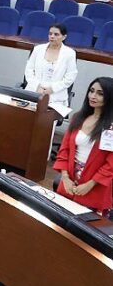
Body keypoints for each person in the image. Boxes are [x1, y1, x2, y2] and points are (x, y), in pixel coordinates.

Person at [53, 77, 113, 212]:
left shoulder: (111, 127)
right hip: (69, 180)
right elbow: (64, 150)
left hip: (94, 184)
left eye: (100, 93)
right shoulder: (78, 118)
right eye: (91, 91)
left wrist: (90, 184)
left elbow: (111, 164)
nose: (93, 96)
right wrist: (65, 177)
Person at [25, 24, 78, 108]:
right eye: (50, 34)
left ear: (64, 37)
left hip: (56, 95)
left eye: (56, 34)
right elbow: (29, 70)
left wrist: (52, 89)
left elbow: (70, 77)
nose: (52, 36)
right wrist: (37, 86)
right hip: (34, 91)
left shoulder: (70, 53)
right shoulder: (38, 49)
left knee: (47, 119)